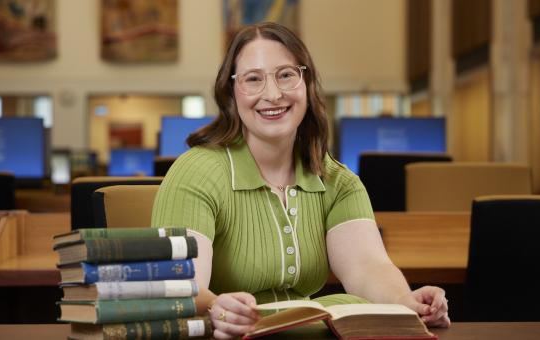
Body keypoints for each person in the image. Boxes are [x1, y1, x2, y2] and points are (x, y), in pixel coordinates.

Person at [151, 22, 450, 339]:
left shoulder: (337, 180)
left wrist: (404, 302)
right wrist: (217, 307)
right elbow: (182, 286)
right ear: (231, 92)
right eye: (253, 79)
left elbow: (368, 267)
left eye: (286, 75)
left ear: (306, 84)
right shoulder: (197, 172)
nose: (273, 93)